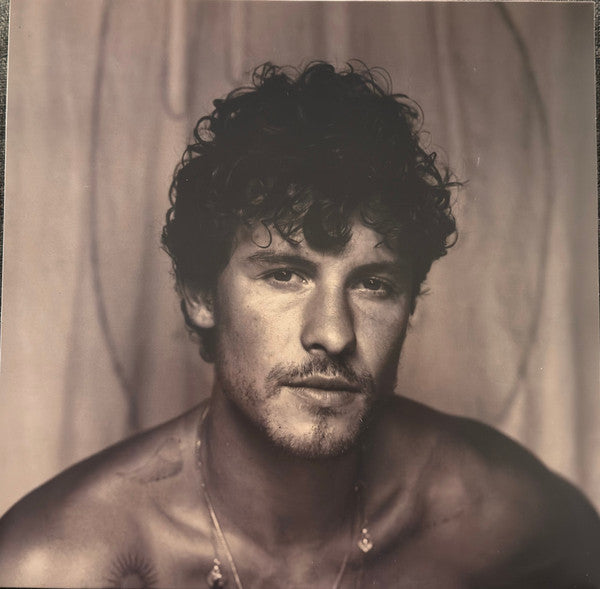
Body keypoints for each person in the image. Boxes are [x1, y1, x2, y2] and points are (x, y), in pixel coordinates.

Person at [0, 61, 598, 589]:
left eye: (373, 284)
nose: (334, 335)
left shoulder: (494, 513)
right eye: (285, 275)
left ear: (410, 305)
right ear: (201, 296)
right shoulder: (56, 564)